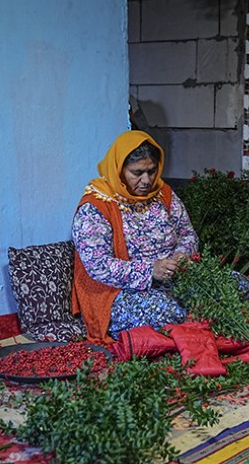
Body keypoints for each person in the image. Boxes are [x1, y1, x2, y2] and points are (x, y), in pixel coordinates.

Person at [71, 130, 199, 344]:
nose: (147, 180)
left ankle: (190, 319)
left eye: (151, 171)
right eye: (137, 172)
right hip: (117, 293)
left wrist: (181, 256)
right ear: (119, 170)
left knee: (236, 287)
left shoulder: (163, 194)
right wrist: (151, 271)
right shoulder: (96, 206)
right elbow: (97, 265)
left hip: (172, 281)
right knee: (169, 312)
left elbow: (187, 233)